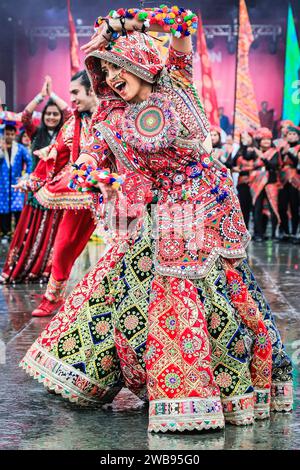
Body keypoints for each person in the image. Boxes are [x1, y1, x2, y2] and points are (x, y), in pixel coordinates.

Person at [20, 6, 293, 433]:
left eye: (117, 67)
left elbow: (184, 22)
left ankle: (196, 393)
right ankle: (89, 374)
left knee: (200, 292)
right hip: (152, 213)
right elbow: (93, 159)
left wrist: (129, 22)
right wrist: (93, 174)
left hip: (202, 207)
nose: (110, 78)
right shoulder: (108, 117)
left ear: (142, 62)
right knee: (116, 284)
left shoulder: (176, 82)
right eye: (104, 70)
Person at [19, 70, 99, 316]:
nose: (72, 98)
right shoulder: (73, 123)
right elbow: (58, 153)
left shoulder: (113, 116)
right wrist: (33, 181)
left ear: (92, 90)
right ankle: (53, 298)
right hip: (81, 192)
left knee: (125, 246)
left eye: (76, 92)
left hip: (119, 192)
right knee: (63, 244)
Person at [0, 76, 69, 283]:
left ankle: (44, 271)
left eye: (54, 114)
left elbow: (69, 113)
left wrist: (53, 95)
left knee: (51, 232)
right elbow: (26, 116)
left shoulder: (63, 134)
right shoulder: (35, 133)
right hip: (35, 190)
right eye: (48, 113)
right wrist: (41, 95)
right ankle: (22, 268)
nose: (51, 116)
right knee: (28, 230)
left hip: (55, 191)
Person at [0, 124, 32, 239]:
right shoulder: (0, 146)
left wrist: (26, 176)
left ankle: (19, 233)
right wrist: (1, 151)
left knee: (18, 208)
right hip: (2, 184)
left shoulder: (20, 148)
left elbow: (30, 162)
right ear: (3, 134)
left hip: (16, 183)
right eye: (7, 134)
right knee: (3, 209)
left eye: (11, 134)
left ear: (15, 135)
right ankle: (5, 233)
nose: (9, 136)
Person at [250, 128, 281, 242]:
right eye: (264, 140)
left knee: (273, 208)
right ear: (259, 140)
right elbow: (247, 162)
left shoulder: (274, 152)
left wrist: (263, 158)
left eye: (268, 139)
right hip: (256, 183)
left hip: (270, 183)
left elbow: (274, 165)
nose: (267, 142)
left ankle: (274, 234)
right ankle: (258, 233)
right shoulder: (254, 151)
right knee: (257, 208)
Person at [278, 125, 300, 242]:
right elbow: (278, 162)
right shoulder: (282, 147)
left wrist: (289, 153)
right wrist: (282, 153)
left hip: (295, 178)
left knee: (294, 206)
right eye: (289, 134)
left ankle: (294, 233)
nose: (291, 136)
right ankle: (286, 232)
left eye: (294, 134)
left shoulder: (298, 148)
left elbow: (297, 162)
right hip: (282, 178)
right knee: (282, 207)